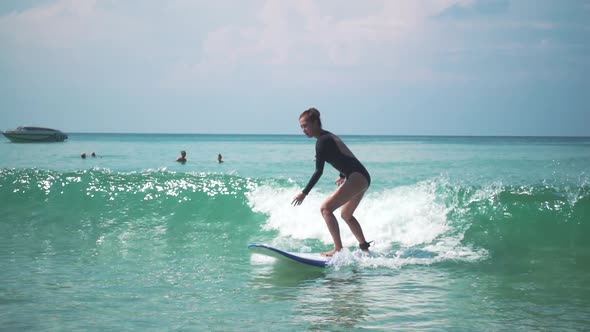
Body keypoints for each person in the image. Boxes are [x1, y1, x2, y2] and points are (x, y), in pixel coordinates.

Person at [291, 107, 372, 256]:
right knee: (346, 214)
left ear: (315, 123)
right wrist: (342, 175)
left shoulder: (322, 141)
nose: (303, 130)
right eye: (301, 127)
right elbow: (344, 156)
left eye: (305, 125)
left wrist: (304, 193)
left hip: (356, 176)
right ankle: (364, 248)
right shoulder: (328, 137)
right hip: (362, 177)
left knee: (325, 209)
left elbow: (318, 172)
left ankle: (338, 249)